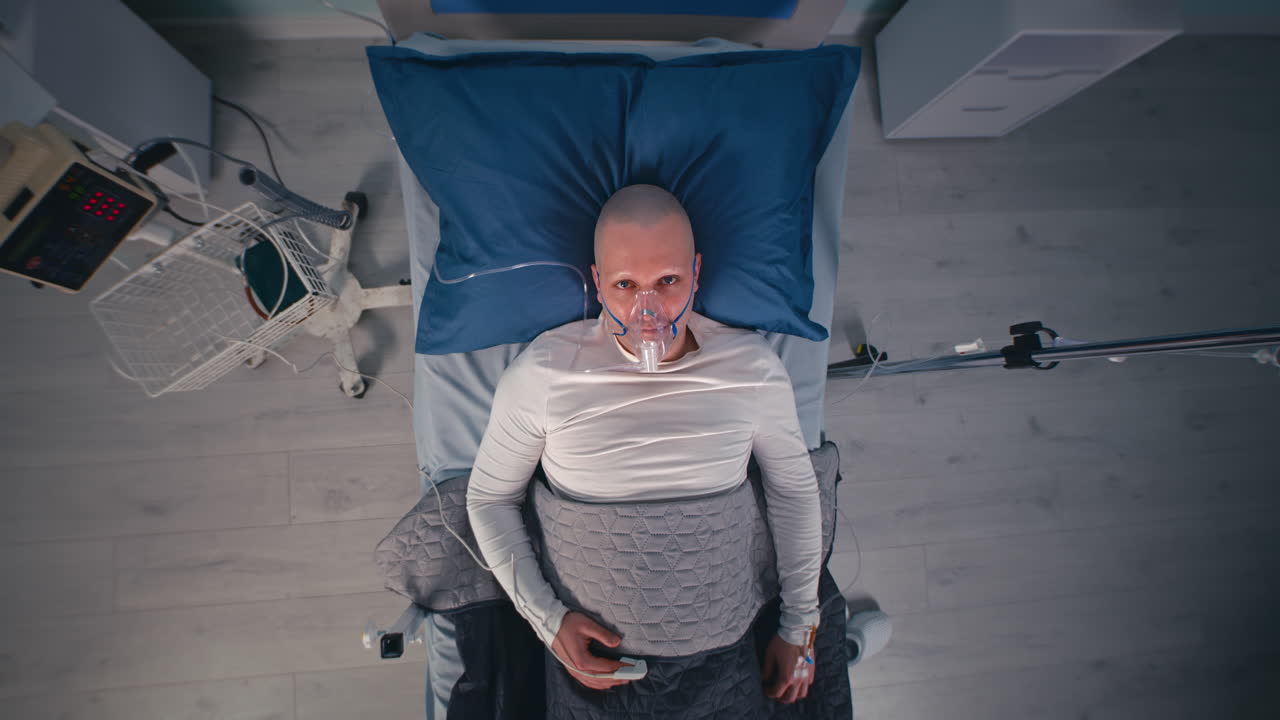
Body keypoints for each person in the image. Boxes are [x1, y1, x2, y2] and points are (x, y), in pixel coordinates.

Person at [466, 184, 824, 706]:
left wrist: (800, 626)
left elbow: (793, 490)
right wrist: (549, 620)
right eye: (626, 284)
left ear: (696, 272)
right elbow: (489, 498)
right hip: (597, 657)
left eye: (668, 281)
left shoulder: (751, 370)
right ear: (597, 282)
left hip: (721, 645)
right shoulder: (544, 374)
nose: (647, 310)